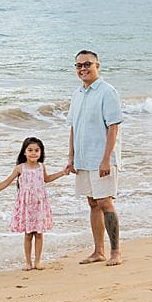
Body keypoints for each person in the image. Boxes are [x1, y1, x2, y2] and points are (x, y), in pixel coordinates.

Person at [65, 49, 124, 266]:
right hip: (83, 159)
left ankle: (116, 252)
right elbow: (73, 128)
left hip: (102, 159)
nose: (83, 68)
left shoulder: (107, 92)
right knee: (92, 203)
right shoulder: (77, 93)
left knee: (105, 202)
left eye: (87, 64)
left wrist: (106, 159)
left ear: (97, 65)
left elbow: (113, 127)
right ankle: (98, 251)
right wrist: (71, 158)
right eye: (79, 65)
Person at [0, 136, 67, 270]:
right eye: (30, 150)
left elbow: (47, 179)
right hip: (26, 205)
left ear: (41, 152)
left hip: (39, 204)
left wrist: (63, 173)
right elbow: (7, 182)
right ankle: (28, 262)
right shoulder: (20, 168)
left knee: (39, 233)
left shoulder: (41, 167)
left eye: (37, 150)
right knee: (28, 234)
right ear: (24, 152)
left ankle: (37, 261)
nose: (33, 153)